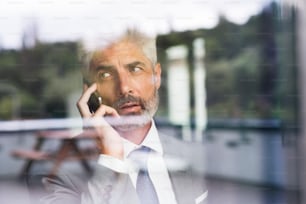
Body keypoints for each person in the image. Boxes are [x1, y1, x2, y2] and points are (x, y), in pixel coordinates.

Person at [40, 29, 207, 204]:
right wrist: (110, 160)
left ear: (156, 76)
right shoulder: (60, 171)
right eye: (106, 75)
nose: (124, 87)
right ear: (89, 89)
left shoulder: (188, 156)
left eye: (135, 69)